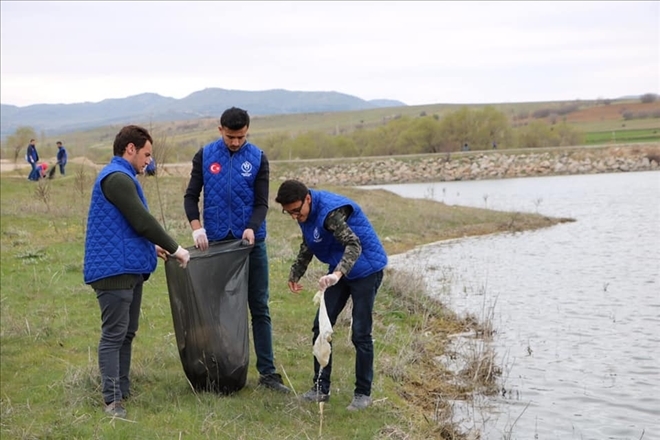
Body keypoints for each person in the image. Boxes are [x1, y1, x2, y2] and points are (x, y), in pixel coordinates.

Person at [83, 125, 190, 419]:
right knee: (114, 334)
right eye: (146, 154)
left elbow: (124, 226)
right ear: (130, 149)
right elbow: (141, 220)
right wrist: (175, 247)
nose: (148, 161)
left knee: (127, 332)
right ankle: (112, 400)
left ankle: (123, 389)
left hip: (127, 266)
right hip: (113, 272)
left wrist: (148, 248)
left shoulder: (123, 177)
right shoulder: (116, 178)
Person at [183, 107, 289, 393]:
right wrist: (197, 227)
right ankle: (220, 368)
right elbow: (191, 196)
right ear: (220, 130)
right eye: (230, 136)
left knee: (259, 306)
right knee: (217, 308)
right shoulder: (204, 156)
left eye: (241, 137)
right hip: (216, 245)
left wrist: (252, 227)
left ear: (247, 132)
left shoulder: (258, 158)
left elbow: (262, 203)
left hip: (251, 245)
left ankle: (267, 373)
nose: (235, 142)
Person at [274, 179, 388, 411]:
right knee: (321, 327)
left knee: (360, 333)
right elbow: (309, 242)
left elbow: (354, 245)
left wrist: (337, 274)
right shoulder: (304, 213)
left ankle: (362, 394)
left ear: (308, 199)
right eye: (289, 213)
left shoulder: (330, 214)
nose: (295, 216)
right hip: (339, 271)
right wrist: (295, 272)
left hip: (367, 269)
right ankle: (320, 388)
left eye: (297, 210)